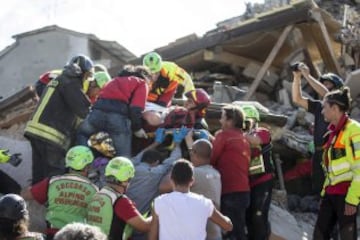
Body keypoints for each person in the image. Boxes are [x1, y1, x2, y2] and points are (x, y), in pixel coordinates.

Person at [24, 54, 94, 184]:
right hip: (50, 135)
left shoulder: (59, 79)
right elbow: (83, 110)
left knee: (39, 174)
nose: (87, 80)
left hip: (35, 131)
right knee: (55, 175)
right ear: (81, 72)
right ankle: (53, 203)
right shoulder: (71, 82)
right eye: (87, 76)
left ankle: (35, 202)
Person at [21, 146, 98, 239]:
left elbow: (26, 195)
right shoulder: (94, 190)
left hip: (53, 234)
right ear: (87, 167)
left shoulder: (53, 182)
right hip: (77, 236)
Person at [313, 87, 360, 240]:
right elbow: (331, 169)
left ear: (334, 108)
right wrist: (324, 193)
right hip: (330, 194)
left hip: (346, 195)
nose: (322, 112)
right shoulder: (331, 134)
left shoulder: (354, 130)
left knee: (347, 236)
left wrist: (352, 200)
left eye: (324, 107)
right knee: (319, 236)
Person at [77, 65, 152, 157]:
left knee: (82, 134)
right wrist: (137, 129)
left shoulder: (115, 80)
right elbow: (135, 109)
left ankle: (82, 162)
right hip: (118, 119)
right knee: (123, 157)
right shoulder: (141, 83)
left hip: (97, 113)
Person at [292, 63, 344, 194]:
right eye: (323, 83)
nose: (325, 86)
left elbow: (327, 95)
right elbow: (297, 99)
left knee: (335, 186)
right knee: (319, 187)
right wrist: (297, 77)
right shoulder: (319, 106)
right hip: (318, 152)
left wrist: (307, 76)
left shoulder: (340, 105)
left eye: (329, 84)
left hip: (333, 153)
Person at [149, 159, 232, 240]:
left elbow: (152, 237)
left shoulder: (159, 202)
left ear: (171, 179)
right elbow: (228, 226)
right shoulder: (205, 203)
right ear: (192, 181)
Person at [210, 104, 251, 240]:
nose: (220, 121)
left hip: (230, 191)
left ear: (230, 121)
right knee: (238, 230)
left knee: (230, 232)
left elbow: (211, 159)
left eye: (222, 118)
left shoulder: (223, 136)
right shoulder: (244, 138)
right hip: (244, 191)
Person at [86, 156, 152, 240]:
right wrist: (155, 213)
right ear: (126, 180)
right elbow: (144, 226)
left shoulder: (98, 195)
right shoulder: (121, 201)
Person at [241, 105, 274, 240]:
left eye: (247, 121)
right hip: (248, 183)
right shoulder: (242, 136)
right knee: (248, 216)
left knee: (258, 216)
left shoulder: (262, 132)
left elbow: (255, 140)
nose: (244, 125)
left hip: (263, 181)